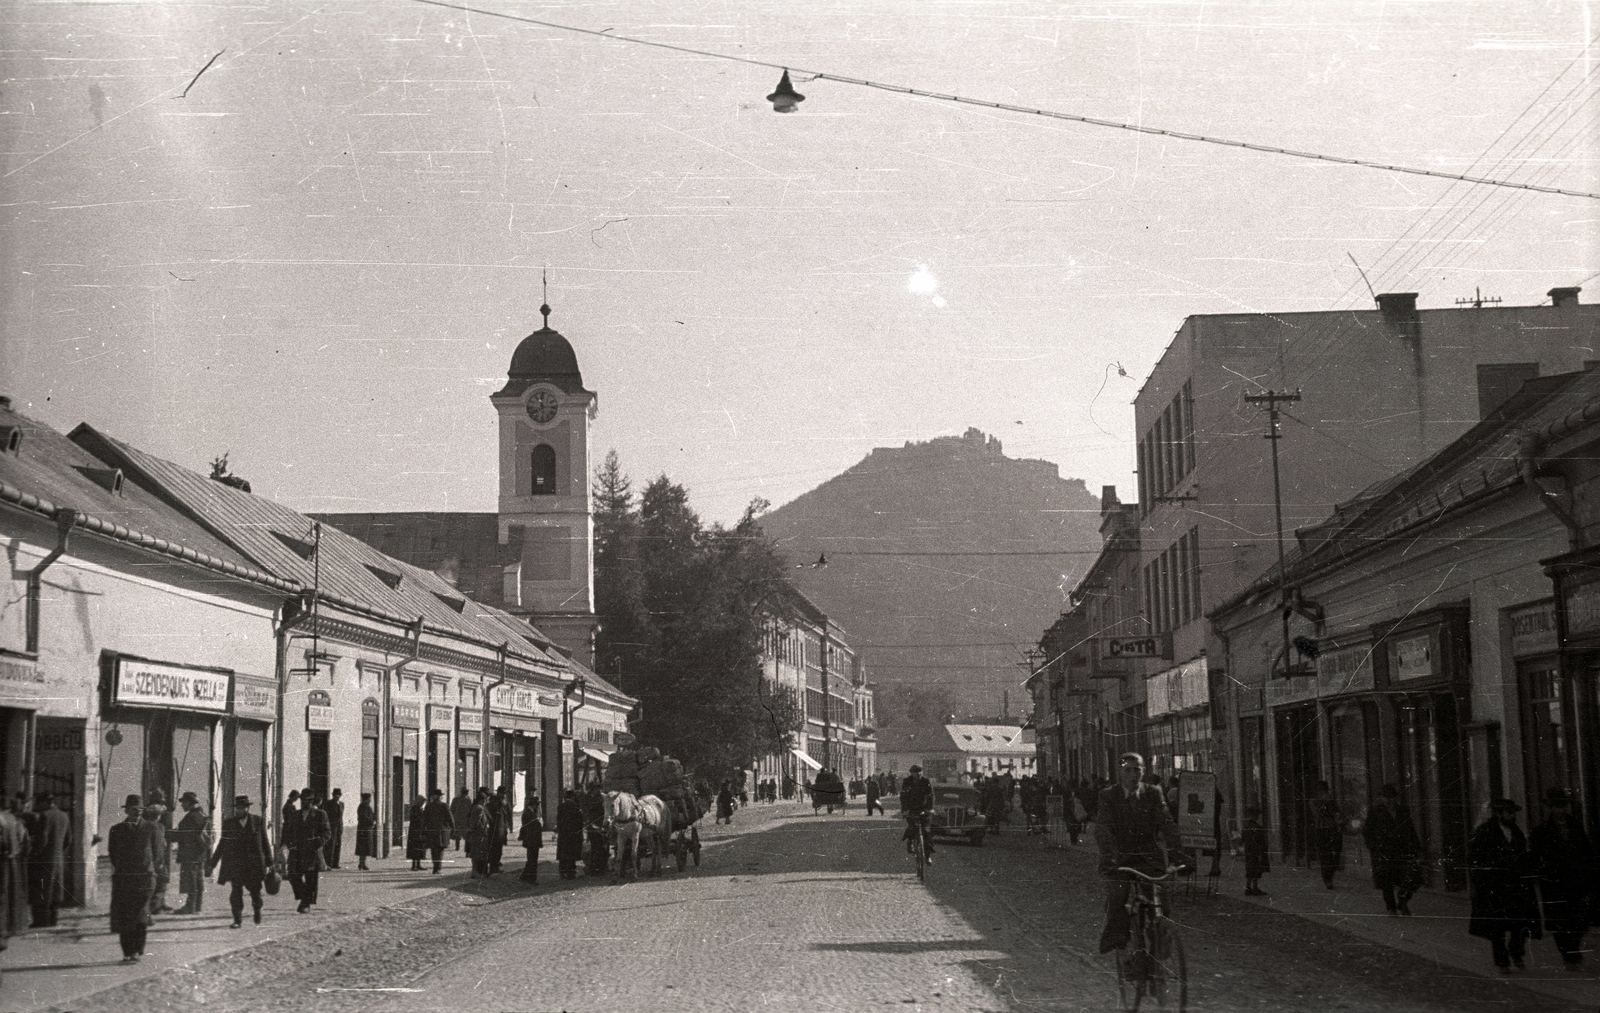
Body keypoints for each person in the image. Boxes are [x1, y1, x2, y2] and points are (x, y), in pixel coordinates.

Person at [1096, 752, 1181, 954]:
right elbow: (1103, 829)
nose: (1133, 775)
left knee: (1161, 897)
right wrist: (1109, 855)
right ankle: (1122, 947)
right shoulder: (1108, 796)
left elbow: (1167, 823)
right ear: (1120, 773)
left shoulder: (1153, 793)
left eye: (1137, 770)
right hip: (1120, 856)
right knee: (1118, 896)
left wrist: (1178, 852)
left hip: (1148, 855)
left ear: (1144, 771)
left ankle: (1160, 940)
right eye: (1128, 770)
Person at [1468, 798, 1541, 973]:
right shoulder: (1484, 832)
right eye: (1509, 812)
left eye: (1513, 812)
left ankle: (1516, 952)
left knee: (1520, 923)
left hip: (1516, 886)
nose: (1513, 815)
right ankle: (1502, 962)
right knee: (1497, 927)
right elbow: (1474, 860)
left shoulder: (1516, 832)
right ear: (1499, 814)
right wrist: (1481, 882)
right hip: (1495, 887)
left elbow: (1523, 856)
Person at [1530, 787, 1596, 968]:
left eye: (1562, 806)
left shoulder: (1575, 826)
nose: (1560, 810)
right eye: (1556, 807)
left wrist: (1589, 873)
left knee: (1580, 919)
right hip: (1555, 884)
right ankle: (1568, 955)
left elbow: (1587, 851)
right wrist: (1543, 874)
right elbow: (1535, 858)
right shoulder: (1541, 831)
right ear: (1550, 808)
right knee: (1560, 921)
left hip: (1577, 881)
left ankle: (1572, 949)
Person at [108, 794, 162, 962]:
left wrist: (150, 869)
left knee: (139, 911)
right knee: (125, 914)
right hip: (124, 878)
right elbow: (113, 854)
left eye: (139, 810)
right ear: (127, 811)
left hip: (145, 878)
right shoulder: (116, 830)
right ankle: (128, 952)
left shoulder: (152, 828)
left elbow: (158, 854)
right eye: (133, 810)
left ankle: (138, 947)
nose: (137, 813)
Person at [208, 795, 271, 928]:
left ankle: (257, 910)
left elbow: (265, 842)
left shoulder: (257, 821)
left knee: (255, 891)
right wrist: (212, 864)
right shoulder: (229, 823)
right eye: (238, 808)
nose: (240, 810)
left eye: (243, 807)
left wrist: (270, 862)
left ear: (248, 808)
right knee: (236, 892)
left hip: (254, 864)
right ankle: (237, 920)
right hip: (236, 864)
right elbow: (222, 844)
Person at [1364, 784, 1422, 916]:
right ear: (1381, 799)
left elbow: (1410, 829)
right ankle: (1391, 907)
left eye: (1391, 797)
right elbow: (1367, 831)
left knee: (1411, 879)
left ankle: (1403, 901)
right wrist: (1373, 846)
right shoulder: (1376, 812)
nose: (1389, 800)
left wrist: (1417, 847)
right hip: (1384, 851)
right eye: (1385, 797)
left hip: (1402, 850)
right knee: (1386, 880)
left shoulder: (1402, 811)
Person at [26, 792, 69, 928]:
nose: (38, 806)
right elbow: (69, 839)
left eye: (39, 802)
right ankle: (53, 920)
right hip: (58, 860)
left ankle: (41, 921)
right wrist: (58, 852)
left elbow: (42, 839)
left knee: (42, 891)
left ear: (45, 802)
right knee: (55, 892)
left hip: (44, 860)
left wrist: (34, 854)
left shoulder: (45, 816)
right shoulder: (64, 816)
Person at [284, 787, 330, 913]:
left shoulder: (320, 814)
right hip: (297, 852)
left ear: (312, 801)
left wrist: (318, 842)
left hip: (312, 852)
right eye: (303, 800)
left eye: (309, 800)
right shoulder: (295, 815)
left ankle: (305, 904)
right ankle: (305, 899)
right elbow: (288, 832)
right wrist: (289, 845)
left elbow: (327, 832)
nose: (306, 803)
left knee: (311, 879)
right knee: (293, 876)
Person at [171, 791, 212, 914]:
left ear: (189, 803)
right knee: (198, 880)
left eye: (183, 803)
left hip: (190, 854)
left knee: (191, 880)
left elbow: (185, 836)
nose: (182, 805)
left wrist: (169, 834)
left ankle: (190, 906)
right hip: (200, 854)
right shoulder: (202, 814)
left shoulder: (192, 817)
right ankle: (197, 906)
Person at [0, 794, 29, 956]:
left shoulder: (2, 820)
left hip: (3, 861)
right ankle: (7, 929)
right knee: (8, 896)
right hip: (11, 863)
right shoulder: (13, 820)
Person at [1310, 781, 1343, 889]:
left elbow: (1337, 812)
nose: (1323, 793)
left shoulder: (1330, 801)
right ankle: (1328, 880)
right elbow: (1320, 811)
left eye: (1324, 790)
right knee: (1325, 856)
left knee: (1335, 855)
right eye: (1321, 791)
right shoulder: (1314, 801)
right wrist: (1328, 801)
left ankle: (1330, 875)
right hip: (1321, 830)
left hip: (1332, 829)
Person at [141, 798, 171, 917]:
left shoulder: (155, 826)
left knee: (157, 882)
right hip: (157, 858)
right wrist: (159, 861)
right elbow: (158, 845)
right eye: (159, 814)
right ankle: (155, 906)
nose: (159, 816)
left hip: (153, 858)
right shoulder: (155, 827)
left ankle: (158, 904)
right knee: (161, 882)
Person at [899, 764, 935, 865]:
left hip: (924, 809)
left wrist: (931, 808)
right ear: (911, 773)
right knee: (912, 827)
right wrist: (904, 810)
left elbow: (931, 795)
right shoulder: (907, 781)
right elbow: (903, 796)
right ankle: (910, 842)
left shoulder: (926, 781)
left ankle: (928, 857)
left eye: (920, 771)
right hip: (911, 809)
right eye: (916, 772)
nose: (918, 774)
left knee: (926, 832)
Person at [421, 788, 454, 874]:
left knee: (433, 849)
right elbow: (450, 818)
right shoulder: (444, 805)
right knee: (440, 850)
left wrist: (423, 831)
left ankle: (435, 866)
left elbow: (424, 820)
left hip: (431, 830)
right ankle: (437, 868)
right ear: (440, 797)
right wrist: (453, 828)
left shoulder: (429, 806)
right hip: (442, 831)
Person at [581, 784, 609, 876]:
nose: (598, 791)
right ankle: (597, 868)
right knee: (597, 847)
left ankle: (600, 868)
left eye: (599, 789)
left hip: (598, 826)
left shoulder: (600, 797)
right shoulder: (592, 798)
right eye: (596, 789)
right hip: (595, 826)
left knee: (600, 847)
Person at [556, 790, 584, 880]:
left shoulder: (560, 807)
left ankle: (562, 872)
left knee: (563, 853)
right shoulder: (576, 807)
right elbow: (580, 822)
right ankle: (570, 873)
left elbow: (558, 820)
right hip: (573, 834)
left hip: (563, 834)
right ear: (572, 797)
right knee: (571, 853)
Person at [1242, 805, 1270, 895]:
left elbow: (1242, 839)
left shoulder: (1245, 826)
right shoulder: (1257, 827)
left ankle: (1248, 887)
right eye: (1257, 815)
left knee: (1250, 870)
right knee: (1256, 870)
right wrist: (1261, 852)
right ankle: (1254, 887)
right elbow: (1260, 841)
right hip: (1256, 852)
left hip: (1248, 851)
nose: (1258, 816)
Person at [466, 789, 490, 878]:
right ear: (482, 800)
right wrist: (484, 828)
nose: (486, 801)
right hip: (478, 834)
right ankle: (475, 872)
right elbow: (476, 821)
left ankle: (475, 871)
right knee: (477, 853)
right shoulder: (479, 808)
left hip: (476, 833)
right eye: (485, 800)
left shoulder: (476, 807)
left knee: (475, 853)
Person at [518, 798, 543, 883]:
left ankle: (525, 875)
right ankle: (531, 878)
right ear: (534, 805)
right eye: (537, 805)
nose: (538, 807)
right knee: (533, 859)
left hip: (532, 839)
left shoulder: (530, 812)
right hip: (532, 839)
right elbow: (532, 826)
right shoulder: (528, 814)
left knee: (531, 859)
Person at [321, 788, 345, 870]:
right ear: (333, 795)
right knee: (331, 845)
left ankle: (336, 863)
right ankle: (329, 863)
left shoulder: (342, 804)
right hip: (331, 826)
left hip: (339, 827)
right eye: (335, 795)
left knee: (338, 844)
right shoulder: (328, 804)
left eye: (338, 795)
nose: (337, 797)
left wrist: (341, 826)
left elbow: (341, 816)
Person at [355, 792, 378, 871]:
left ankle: (363, 863)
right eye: (369, 799)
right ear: (365, 799)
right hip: (363, 830)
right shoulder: (362, 807)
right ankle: (361, 863)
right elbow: (363, 817)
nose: (370, 800)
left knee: (366, 847)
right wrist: (372, 822)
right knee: (363, 847)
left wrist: (374, 820)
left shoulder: (368, 807)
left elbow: (373, 815)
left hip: (367, 829)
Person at [405, 795, 427, 871]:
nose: (423, 803)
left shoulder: (420, 809)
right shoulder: (414, 808)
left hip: (420, 831)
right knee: (415, 849)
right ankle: (414, 865)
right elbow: (415, 819)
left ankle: (418, 864)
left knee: (420, 848)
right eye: (422, 802)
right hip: (415, 832)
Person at [449, 786, 473, 852]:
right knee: (466, 835)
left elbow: (452, 809)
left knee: (457, 834)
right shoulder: (468, 800)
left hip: (457, 819)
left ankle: (457, 847)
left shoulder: (456, 799)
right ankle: (467, 851)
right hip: (465, 819)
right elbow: (471, 809)